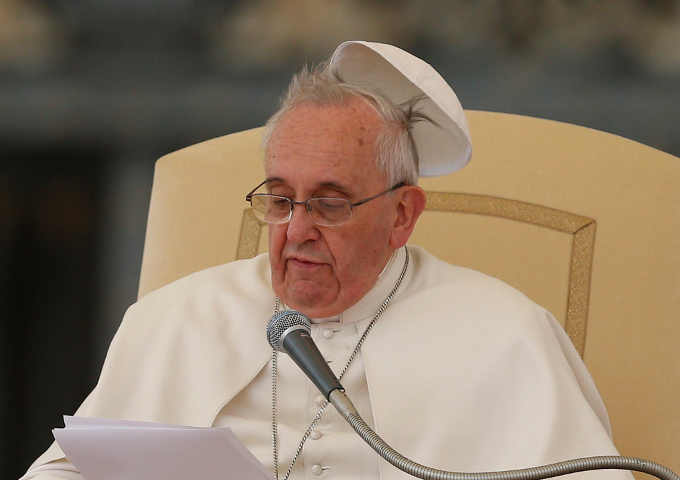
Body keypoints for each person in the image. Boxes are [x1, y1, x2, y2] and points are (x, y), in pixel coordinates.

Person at [22, 41, 632, 480]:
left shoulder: (505, 334)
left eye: (330, 205)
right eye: (281, 200)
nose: (297, 230)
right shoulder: (176, 319)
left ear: (402, 215)